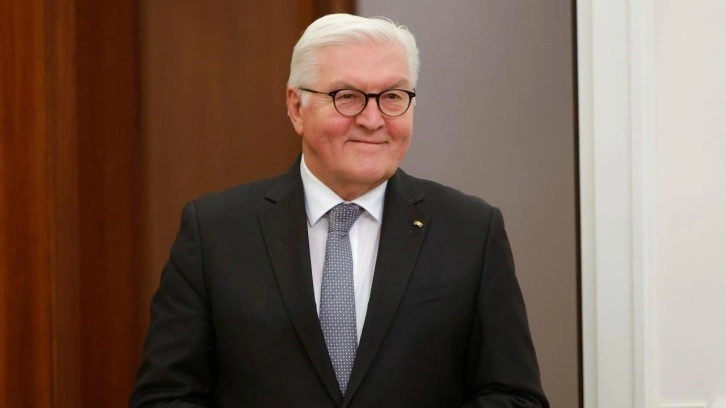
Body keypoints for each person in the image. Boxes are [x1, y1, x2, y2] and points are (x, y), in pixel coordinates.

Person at [130, 13, 548, 408]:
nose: (372, 119)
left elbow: (514, 397)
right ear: (297, 107)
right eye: (347, 96)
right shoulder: (214, 233)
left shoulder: (471, 232)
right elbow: (165, 397)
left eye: (393, 97)